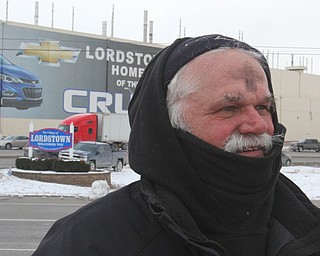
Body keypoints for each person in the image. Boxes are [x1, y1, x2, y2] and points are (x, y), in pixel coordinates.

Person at [32, 34, 320, 256]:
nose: (258, 125)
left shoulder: (306, 223)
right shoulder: (88, 242)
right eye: (229, 108)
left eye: (263, 107)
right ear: (168, 126)